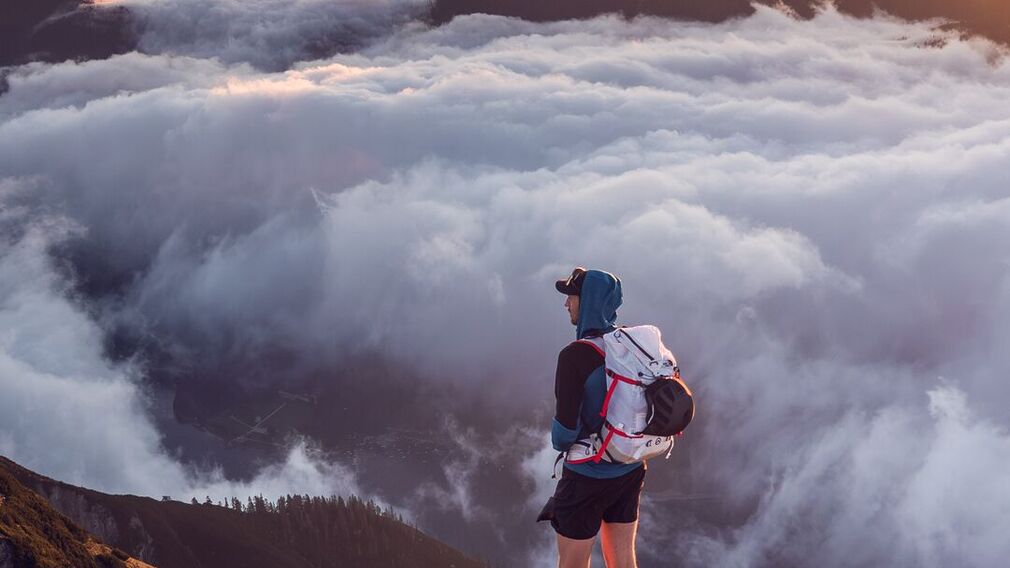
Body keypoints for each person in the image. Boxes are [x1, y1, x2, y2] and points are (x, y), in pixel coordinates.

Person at [539, 267, 645, 568]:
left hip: (587, 475)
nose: (566, 304)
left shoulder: (574, 356)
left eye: (571, 297)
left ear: (587, 301)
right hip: (630, 467)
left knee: (572, 563)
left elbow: (563, 436)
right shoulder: (631, 348)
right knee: (623, 559)